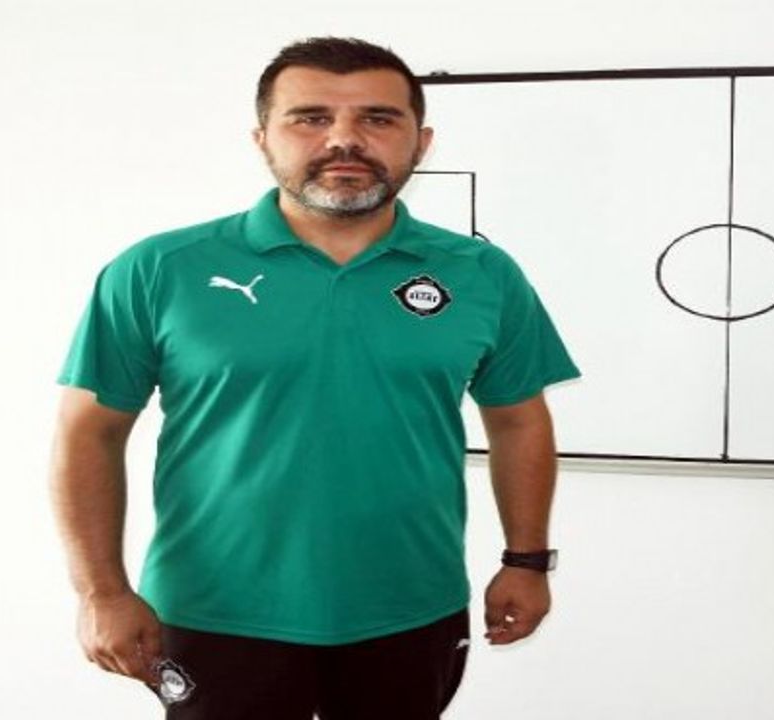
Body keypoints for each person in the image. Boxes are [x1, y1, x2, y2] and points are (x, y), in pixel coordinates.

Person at [48, 36, 579, 719]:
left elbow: (518, 419)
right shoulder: (159, 269)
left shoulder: (481, 274)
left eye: (378, 118)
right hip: (214, 612)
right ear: (262, 139)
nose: (344, 140)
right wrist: (101, 593)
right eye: (311, 118)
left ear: (421, 142)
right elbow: (87, 433)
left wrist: (526, 560)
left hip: (410, 607)